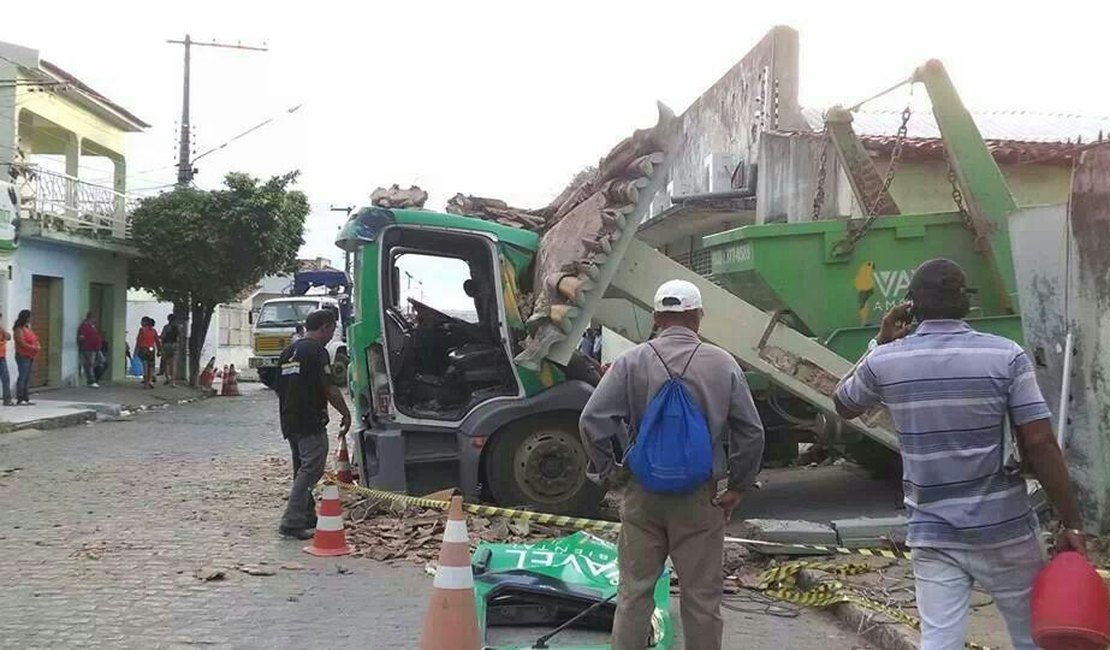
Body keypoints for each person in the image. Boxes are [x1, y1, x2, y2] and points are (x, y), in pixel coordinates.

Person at [833, 258, 1084, 650]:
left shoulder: (885, 361)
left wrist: (881, 342)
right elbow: (1040, 442)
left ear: (911, 307)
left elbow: (843, 403)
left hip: (933, 532)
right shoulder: (1007, 356)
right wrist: (1071, 523)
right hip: (1006, 530)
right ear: (965, 303)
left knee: (940, 641)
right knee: (1030, 637)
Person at [579, 279, 765, 650]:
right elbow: (751, 431)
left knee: (634, 594)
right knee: (701, 598)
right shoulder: (723, 363)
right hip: (700, 499)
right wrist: (739, 487)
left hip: (642, 494)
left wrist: (609, 473)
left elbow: (592, 420)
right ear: (698, 317)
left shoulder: (632, 361)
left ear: (655, 317)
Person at [275, 309, 352, 540]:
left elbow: (278, 386)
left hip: (289, 419)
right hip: (309, 419)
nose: (332, 335)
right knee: (312, 468)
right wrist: (346, 414)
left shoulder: (288, 352)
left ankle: (307, 515)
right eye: (332, 328)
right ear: (325, 326)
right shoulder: (316, 352)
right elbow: (328, 388)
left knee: (301, 468)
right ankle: (292, 520)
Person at [12, 310, 39, 406]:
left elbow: (33, 338)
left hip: (30, 355)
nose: (31, 319)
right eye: (29, 317)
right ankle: (20, 398)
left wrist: (36, 345)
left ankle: (26, 397)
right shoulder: (18, 329)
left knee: (27, 377)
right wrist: (33, 347)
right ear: (25, 317)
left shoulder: (27, 328)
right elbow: (21, 343)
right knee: (23, 377)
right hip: (22, 355)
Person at [77, 312, 103, 388]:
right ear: (90, 318)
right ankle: (91, 380)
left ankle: (93, 377)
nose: (95, 320)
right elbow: (81, 337)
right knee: (90, 364)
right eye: (94, 318)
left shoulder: (92, 326)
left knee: (101, 361)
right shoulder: (85, 326)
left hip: (95, 348)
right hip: (89, 348)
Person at [135, 317, 160, 389]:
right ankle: (150, 381)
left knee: (145, 366)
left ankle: (146, 384)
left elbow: (138, 341)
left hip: (143, 349)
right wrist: (159, 350)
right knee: (151, 366)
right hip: (151, 350)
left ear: (145, 322)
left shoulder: (142, 330)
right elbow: (157, 341)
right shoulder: (154, 331)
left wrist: (136, 351)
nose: (141, 322)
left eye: (142, 321)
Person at [160, 314, 180, 387]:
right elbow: (179, 338)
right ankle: (173, 382)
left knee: (166, 363)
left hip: (166, 345)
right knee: (174, 364)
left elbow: (162, 336)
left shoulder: (166, 327)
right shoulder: (178, 328)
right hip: (175, 345)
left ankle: (168, 378)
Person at [0, 313, 11, 406]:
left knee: (6, 378)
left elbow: (8, 337)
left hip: (1, 357)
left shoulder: (0, 329)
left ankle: (7, 400)